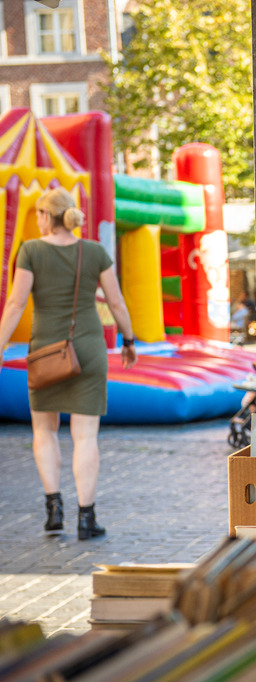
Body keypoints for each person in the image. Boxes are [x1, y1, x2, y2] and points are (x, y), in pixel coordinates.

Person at [0, 187, 138, 540]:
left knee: (44, 430)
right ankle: (87, 518)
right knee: (85, 435)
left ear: (46, 216)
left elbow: (16, 303)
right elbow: (117, 302)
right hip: (88, 349)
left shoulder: (30, 250)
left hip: (46, 351)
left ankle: (54, 508)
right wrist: (129, 340)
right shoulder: (93, 252)